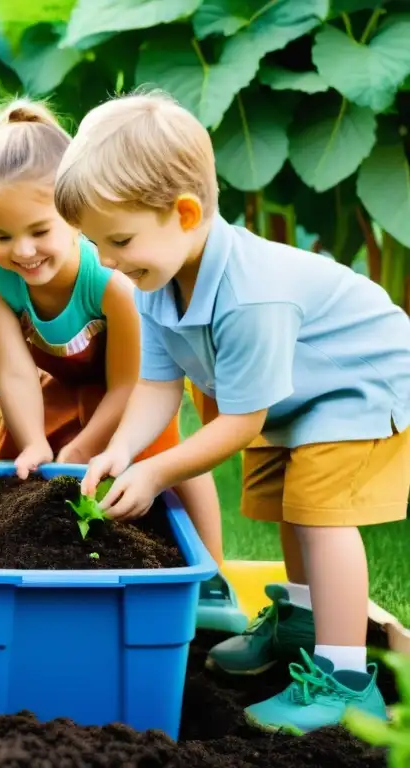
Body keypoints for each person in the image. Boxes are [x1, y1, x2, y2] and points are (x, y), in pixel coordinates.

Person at [60, 90, 409, 732]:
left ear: (186, 212)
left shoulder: (250, 295)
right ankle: (303, 624)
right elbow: (158, 389)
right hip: (295, 396)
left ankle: (344, 681)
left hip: (359, 383)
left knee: (321, 514)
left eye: (119, 241)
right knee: (285, 501)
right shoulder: (154, 278)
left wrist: (158, 473)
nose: (106, 261)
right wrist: (121, 451)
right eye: (96, 244)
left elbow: (240, 423)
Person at [0, 99, 237, 625]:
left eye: (39, 230)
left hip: (131, 386)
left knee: (164, 453)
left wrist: (85, 444)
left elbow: (130, 385)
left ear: (76, 218)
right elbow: (14, 372)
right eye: (2, 236)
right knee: (19, 471)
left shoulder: (112, 283)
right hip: (49, 383)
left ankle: (212, 575)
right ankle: (17, 575)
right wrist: (36, 439)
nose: (23, 251)